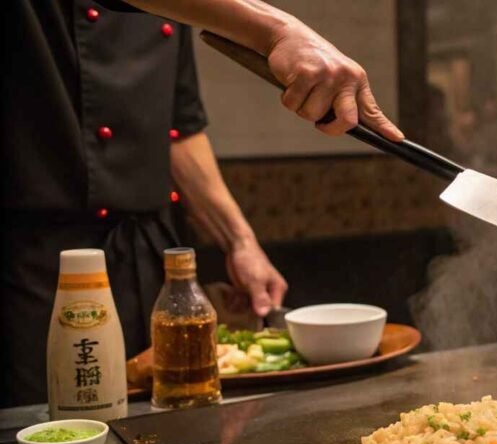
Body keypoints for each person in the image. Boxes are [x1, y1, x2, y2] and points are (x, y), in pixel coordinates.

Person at [2, 0, 400, 407]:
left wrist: (241, 242)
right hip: (32, 262)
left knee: (155, 420)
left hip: (145, 260)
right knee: (38, 426)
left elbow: (179, 131)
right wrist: (278, 31)